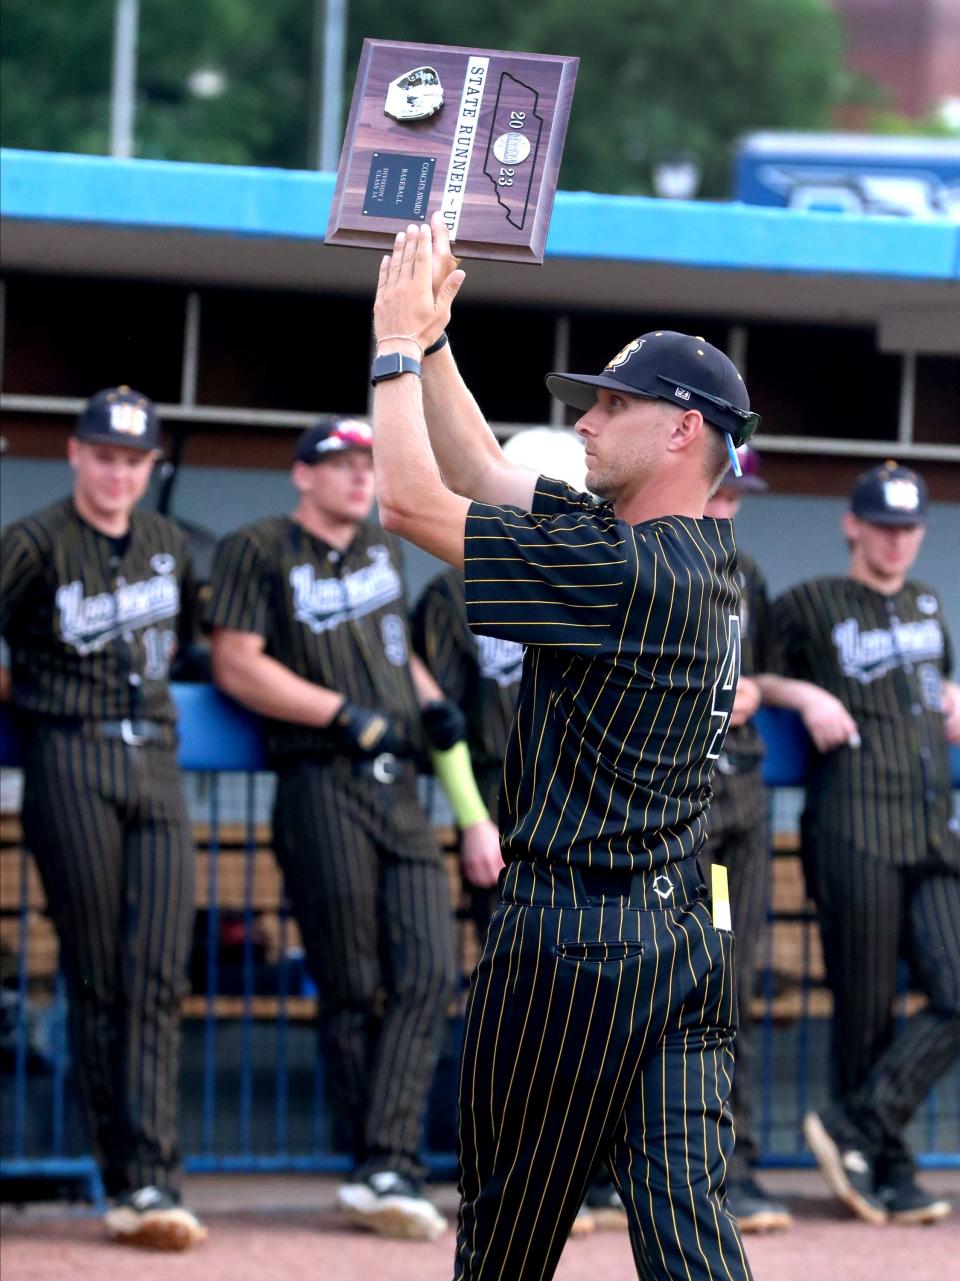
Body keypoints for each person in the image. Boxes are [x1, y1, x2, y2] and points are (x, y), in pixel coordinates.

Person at [369, 216, 757, 1280]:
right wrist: (442, 340)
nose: (586, 420)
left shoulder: (626, 571)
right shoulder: (698, 556)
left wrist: (394, 344)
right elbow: (485, 466)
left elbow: (408, 498)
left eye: (614, 404)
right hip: (683, 934)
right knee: (688, 1235)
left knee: (503, 1251)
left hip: (576, 940)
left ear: (684, 432)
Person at [206, 416, 501, 1242]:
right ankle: (374, 1162)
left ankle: (388, 1158)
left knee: (429, 970)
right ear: (303, 474)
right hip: (319, 778)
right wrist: (342, 713)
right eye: (340, 463)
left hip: (398, 786)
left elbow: (393, 642)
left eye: (367, 462)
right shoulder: (258, 546)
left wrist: (426, 700)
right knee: (354, 981)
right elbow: (235, 660)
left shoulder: (382, 549)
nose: (358, 476)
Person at [0, 387, 205, 1250]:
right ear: (77, 454)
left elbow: (193, 639)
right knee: (98, 973)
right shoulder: (34, 539)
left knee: (158, 971)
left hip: (154, 758)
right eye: (106, 455)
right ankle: (123, 1175)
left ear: (149, 466)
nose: (119, 471)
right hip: (69, 751)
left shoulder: (167, 543)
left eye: (134, 459)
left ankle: (156, 1178)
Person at [757, 461, 960, 1227]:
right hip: (852, 824)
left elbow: (936, 681)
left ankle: (856, 1129)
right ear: (853, 524)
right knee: (866, 1006)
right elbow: (759, 677)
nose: (897, 540)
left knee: (955, 987)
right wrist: (805, 693)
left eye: (909, 527)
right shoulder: (810, 601)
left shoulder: (929, 601)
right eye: (883, 525)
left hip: (931, 826)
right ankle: (886, 1162)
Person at [698, 449, 792, 1233]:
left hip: (736, 812)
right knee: (645, 992)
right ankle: (611, 1169)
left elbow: (759, 679)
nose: (728, 505)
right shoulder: (645, 557)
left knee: (727, 984)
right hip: (666, 818)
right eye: (720, 489)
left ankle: (734, 1165)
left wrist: (751, 689)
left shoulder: (746, 572)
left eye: (737, 494)